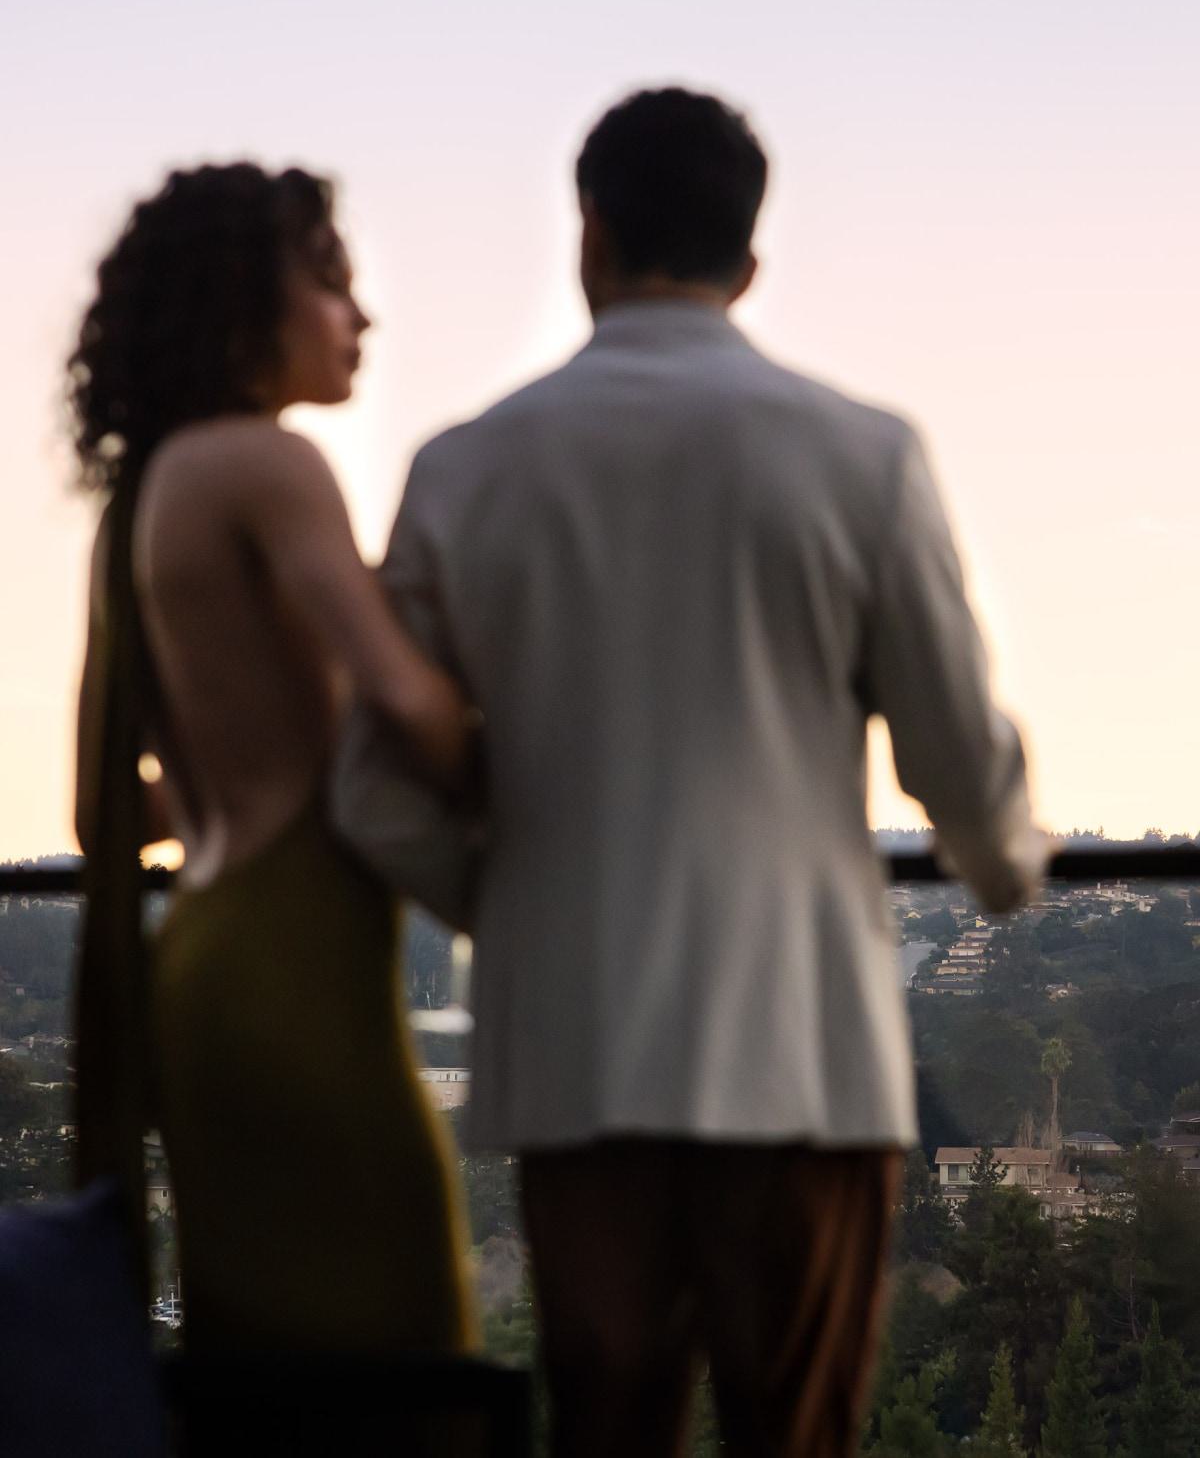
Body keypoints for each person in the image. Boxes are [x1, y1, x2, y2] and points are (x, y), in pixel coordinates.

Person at [336, 88, 1046, 1456]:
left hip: (576, 1046)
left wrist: (517, 902)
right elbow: (958, 757)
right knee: (794, 1428)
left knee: (610, 1428)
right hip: (800, 1047)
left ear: (588, 234)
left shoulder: (466, 470)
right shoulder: (861, 456)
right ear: (750, 259)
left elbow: (375, 793)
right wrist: (1009, 867)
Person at [70, 163, 477, 1360]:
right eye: (333, 283)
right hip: (301, 967)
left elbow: (102, 812)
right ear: (247, 302)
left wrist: (238, 770)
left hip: (203, 960)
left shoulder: (141, 498)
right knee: (399, 1355)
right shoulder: (270, 464)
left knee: (262, 1373)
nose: (362, 316)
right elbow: (406, 702)